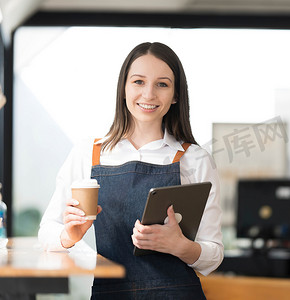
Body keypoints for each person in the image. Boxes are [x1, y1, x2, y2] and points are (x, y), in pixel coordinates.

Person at [38, 42, 223, 299]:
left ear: (176, 95)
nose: (148, 94)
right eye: (138, 82)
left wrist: (180, 246)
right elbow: (46, 233)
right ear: (123, 89)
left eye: (162, 84)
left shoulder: (195, 159)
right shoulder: (89, 153)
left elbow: (213, 256)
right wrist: (69, 235)